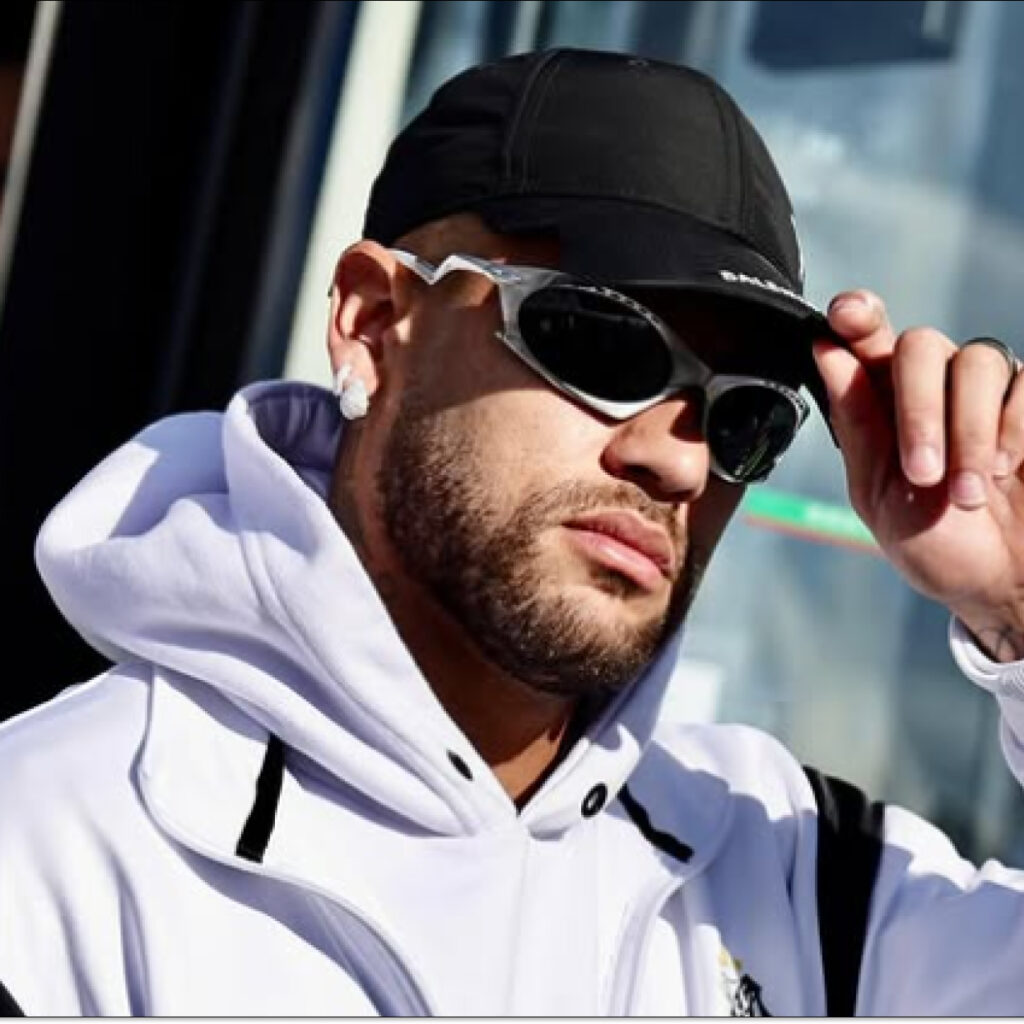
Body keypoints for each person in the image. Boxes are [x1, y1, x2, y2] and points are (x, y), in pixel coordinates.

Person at [2, 46, 1024, 1017]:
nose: (677, 461)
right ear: (371, 322)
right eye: (601, 342)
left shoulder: (802, 876)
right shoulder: (48, 858)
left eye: (744, 417)